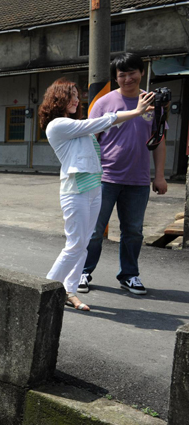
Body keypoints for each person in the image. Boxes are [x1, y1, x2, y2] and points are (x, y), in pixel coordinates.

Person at [40, 78, 153, 311]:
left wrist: (139, 115)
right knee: (75, 244)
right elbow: (103, 122)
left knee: (84, 245)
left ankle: (69, 291)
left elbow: (104, 127)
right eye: (70, 95)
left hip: (93, 189)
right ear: (58, 98)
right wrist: (135, 111)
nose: (75, 99)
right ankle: (42, 289)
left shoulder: (77, 124)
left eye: (76, 95)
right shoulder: (57, 125)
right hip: (75, 191)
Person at [79, 53, 169, 296]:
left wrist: (159, 175)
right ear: (116, 77)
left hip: (138, 181)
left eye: (132, 73)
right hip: (104, 178)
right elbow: (90, 139)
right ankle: (83, 271)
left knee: (133, 231)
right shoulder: (104, 103)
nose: (128, 78)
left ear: (142, 72)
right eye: (122, 74)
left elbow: (159, 140)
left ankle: (129, 275)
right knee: (95, 230)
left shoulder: (152, 102)